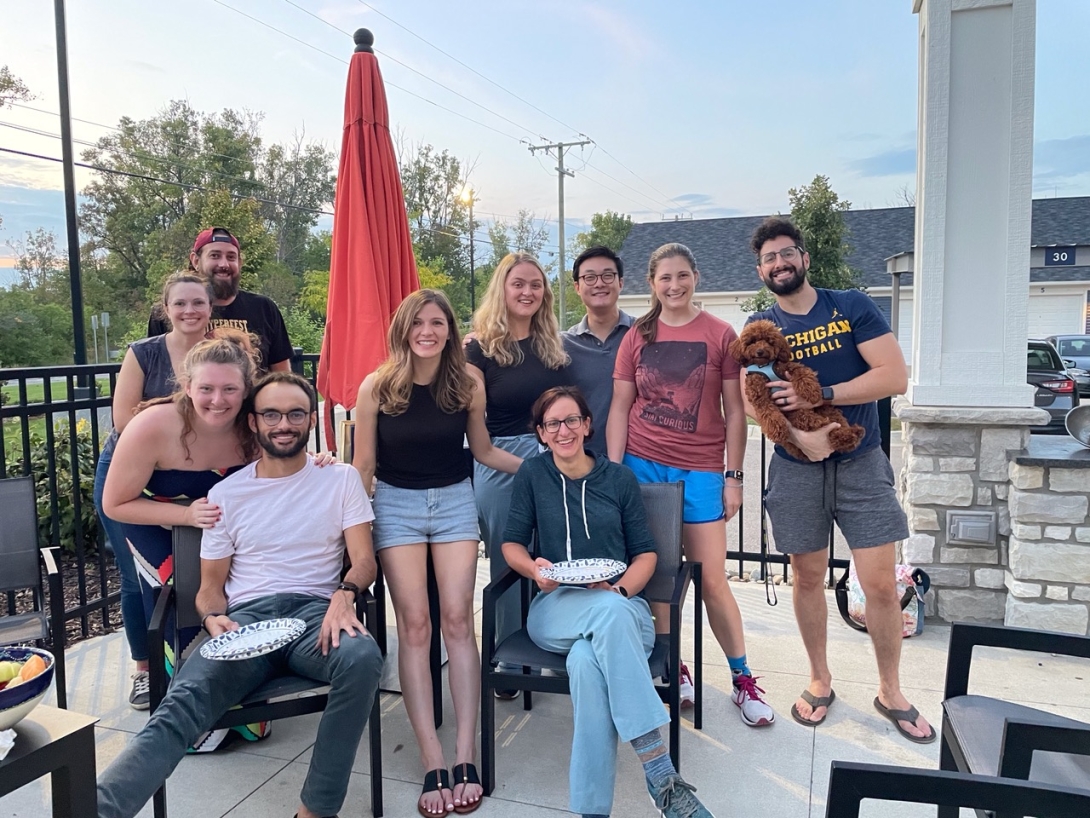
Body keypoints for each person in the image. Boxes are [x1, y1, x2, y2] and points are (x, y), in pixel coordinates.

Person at [98, 371, 384, 818]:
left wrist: (345, 593)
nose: (283, 424)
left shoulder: (341, 479)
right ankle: (99, 809)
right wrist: (213, 618)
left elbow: (364, 560)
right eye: (271, 414)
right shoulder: (227, 494)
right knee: (182, 702)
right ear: (253, 422)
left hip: (316, 615)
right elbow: (210, 589)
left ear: (311, 419)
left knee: (363, 658)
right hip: (247, 621)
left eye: (294, 414)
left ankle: (316, 811)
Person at [744, 217, 933, 743]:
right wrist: (798, 438)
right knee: (806, 578)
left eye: (787, 253)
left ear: (804, 258)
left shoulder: (849, 305)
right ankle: (819, 678)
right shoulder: (761, 326)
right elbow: (751, 398)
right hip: (796, 467)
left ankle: (890, 690)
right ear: (760, 270)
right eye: (769, 259)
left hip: (861, 461)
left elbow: (892, 377)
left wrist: (820, 395)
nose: (779, 263)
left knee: (877, 583)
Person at [502, 386, 715, 818]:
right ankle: (662, 777)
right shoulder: (532, 475)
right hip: (557, 607)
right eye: (552, 424)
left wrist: (619, 592)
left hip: (622, 604)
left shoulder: (617, 478)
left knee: (586, 660)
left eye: (572, 420)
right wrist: (533, 570)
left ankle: (592, 810)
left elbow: (646, 554)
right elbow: (511, 544)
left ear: (587, 425)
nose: (564, 431)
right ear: (541, 434)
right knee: (600, 628)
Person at [353, 289, 522, 816]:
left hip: (454, 502)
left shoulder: (467, 382)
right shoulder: (376, 387)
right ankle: (432, 760)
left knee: (456, 621)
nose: (427, 331)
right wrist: (348, 534)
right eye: (417, 323)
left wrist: (544, 468)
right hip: (397, 505)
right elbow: (361, 468)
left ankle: (465, 754)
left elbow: (486, 449)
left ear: (450, 330)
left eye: (438, 322)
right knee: (417, 625)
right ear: (402, 329)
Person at [607, 242, 775, 727]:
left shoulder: (721, 335)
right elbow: (620, 406)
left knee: (712, 581)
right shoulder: (637, 335)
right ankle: (674, 667)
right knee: (657, 573)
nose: (674, 285)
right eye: (665, 278)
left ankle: (742, 679)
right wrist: (618, 471)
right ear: (652, 283)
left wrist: (734, 477)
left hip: (700, 470)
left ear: (696, 277)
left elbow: (736, 411)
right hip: (642, 465)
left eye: (682, 276)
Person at [102, 330, 271, 751]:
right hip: (148, 517)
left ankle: (240, 700)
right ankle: (186, 710)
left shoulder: (254, 425)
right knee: (180, 592)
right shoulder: (154, 426)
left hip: (215, 526)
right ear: (188, 386)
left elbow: (289, 464)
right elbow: (116, 503)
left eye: (230, 389)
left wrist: (320, 463)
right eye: (207, 389)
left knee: (238, 591)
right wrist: (183, 515)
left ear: (246, 389)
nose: (218, 400)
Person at [93, 271, 213, 710]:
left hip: (192, 476)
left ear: (210, 307)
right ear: (166, 309)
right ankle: (146, 670)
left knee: (194, 576)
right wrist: (186, 413)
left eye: (197, 302)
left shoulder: (221, 354)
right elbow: (125, 421)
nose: (189, 311)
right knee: (143, 578)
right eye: (180, 303)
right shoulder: (144, 354)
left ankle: (196, 666)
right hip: (132, 480)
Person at [466, 252, 570, 698]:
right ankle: (509, 653)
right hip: (501, 461)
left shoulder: (555, 347)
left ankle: (555, 645)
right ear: (502, 290)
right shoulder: (478, 347)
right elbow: (475, 432)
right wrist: (533, 467)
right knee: (509, 559)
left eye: (536, 284)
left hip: (554, 457)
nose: (528, 292)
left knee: (554, 556)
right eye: (518, 284)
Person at [148, 227, 292, 373]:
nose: (224, 264)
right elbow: (154, 370)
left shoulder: (264, 308)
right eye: (215, 256)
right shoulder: (169, 312)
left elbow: (282, 376)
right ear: (195, 260)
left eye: (231, 257)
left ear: (239, 262)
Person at [562, 246, 634, 455]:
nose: (600, 283)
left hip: (641, 462)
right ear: (577, 286)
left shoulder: (645, 335)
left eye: (607, 276)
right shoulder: (562, 345)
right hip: (583, 461)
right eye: (590, 277)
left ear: (621, 282)